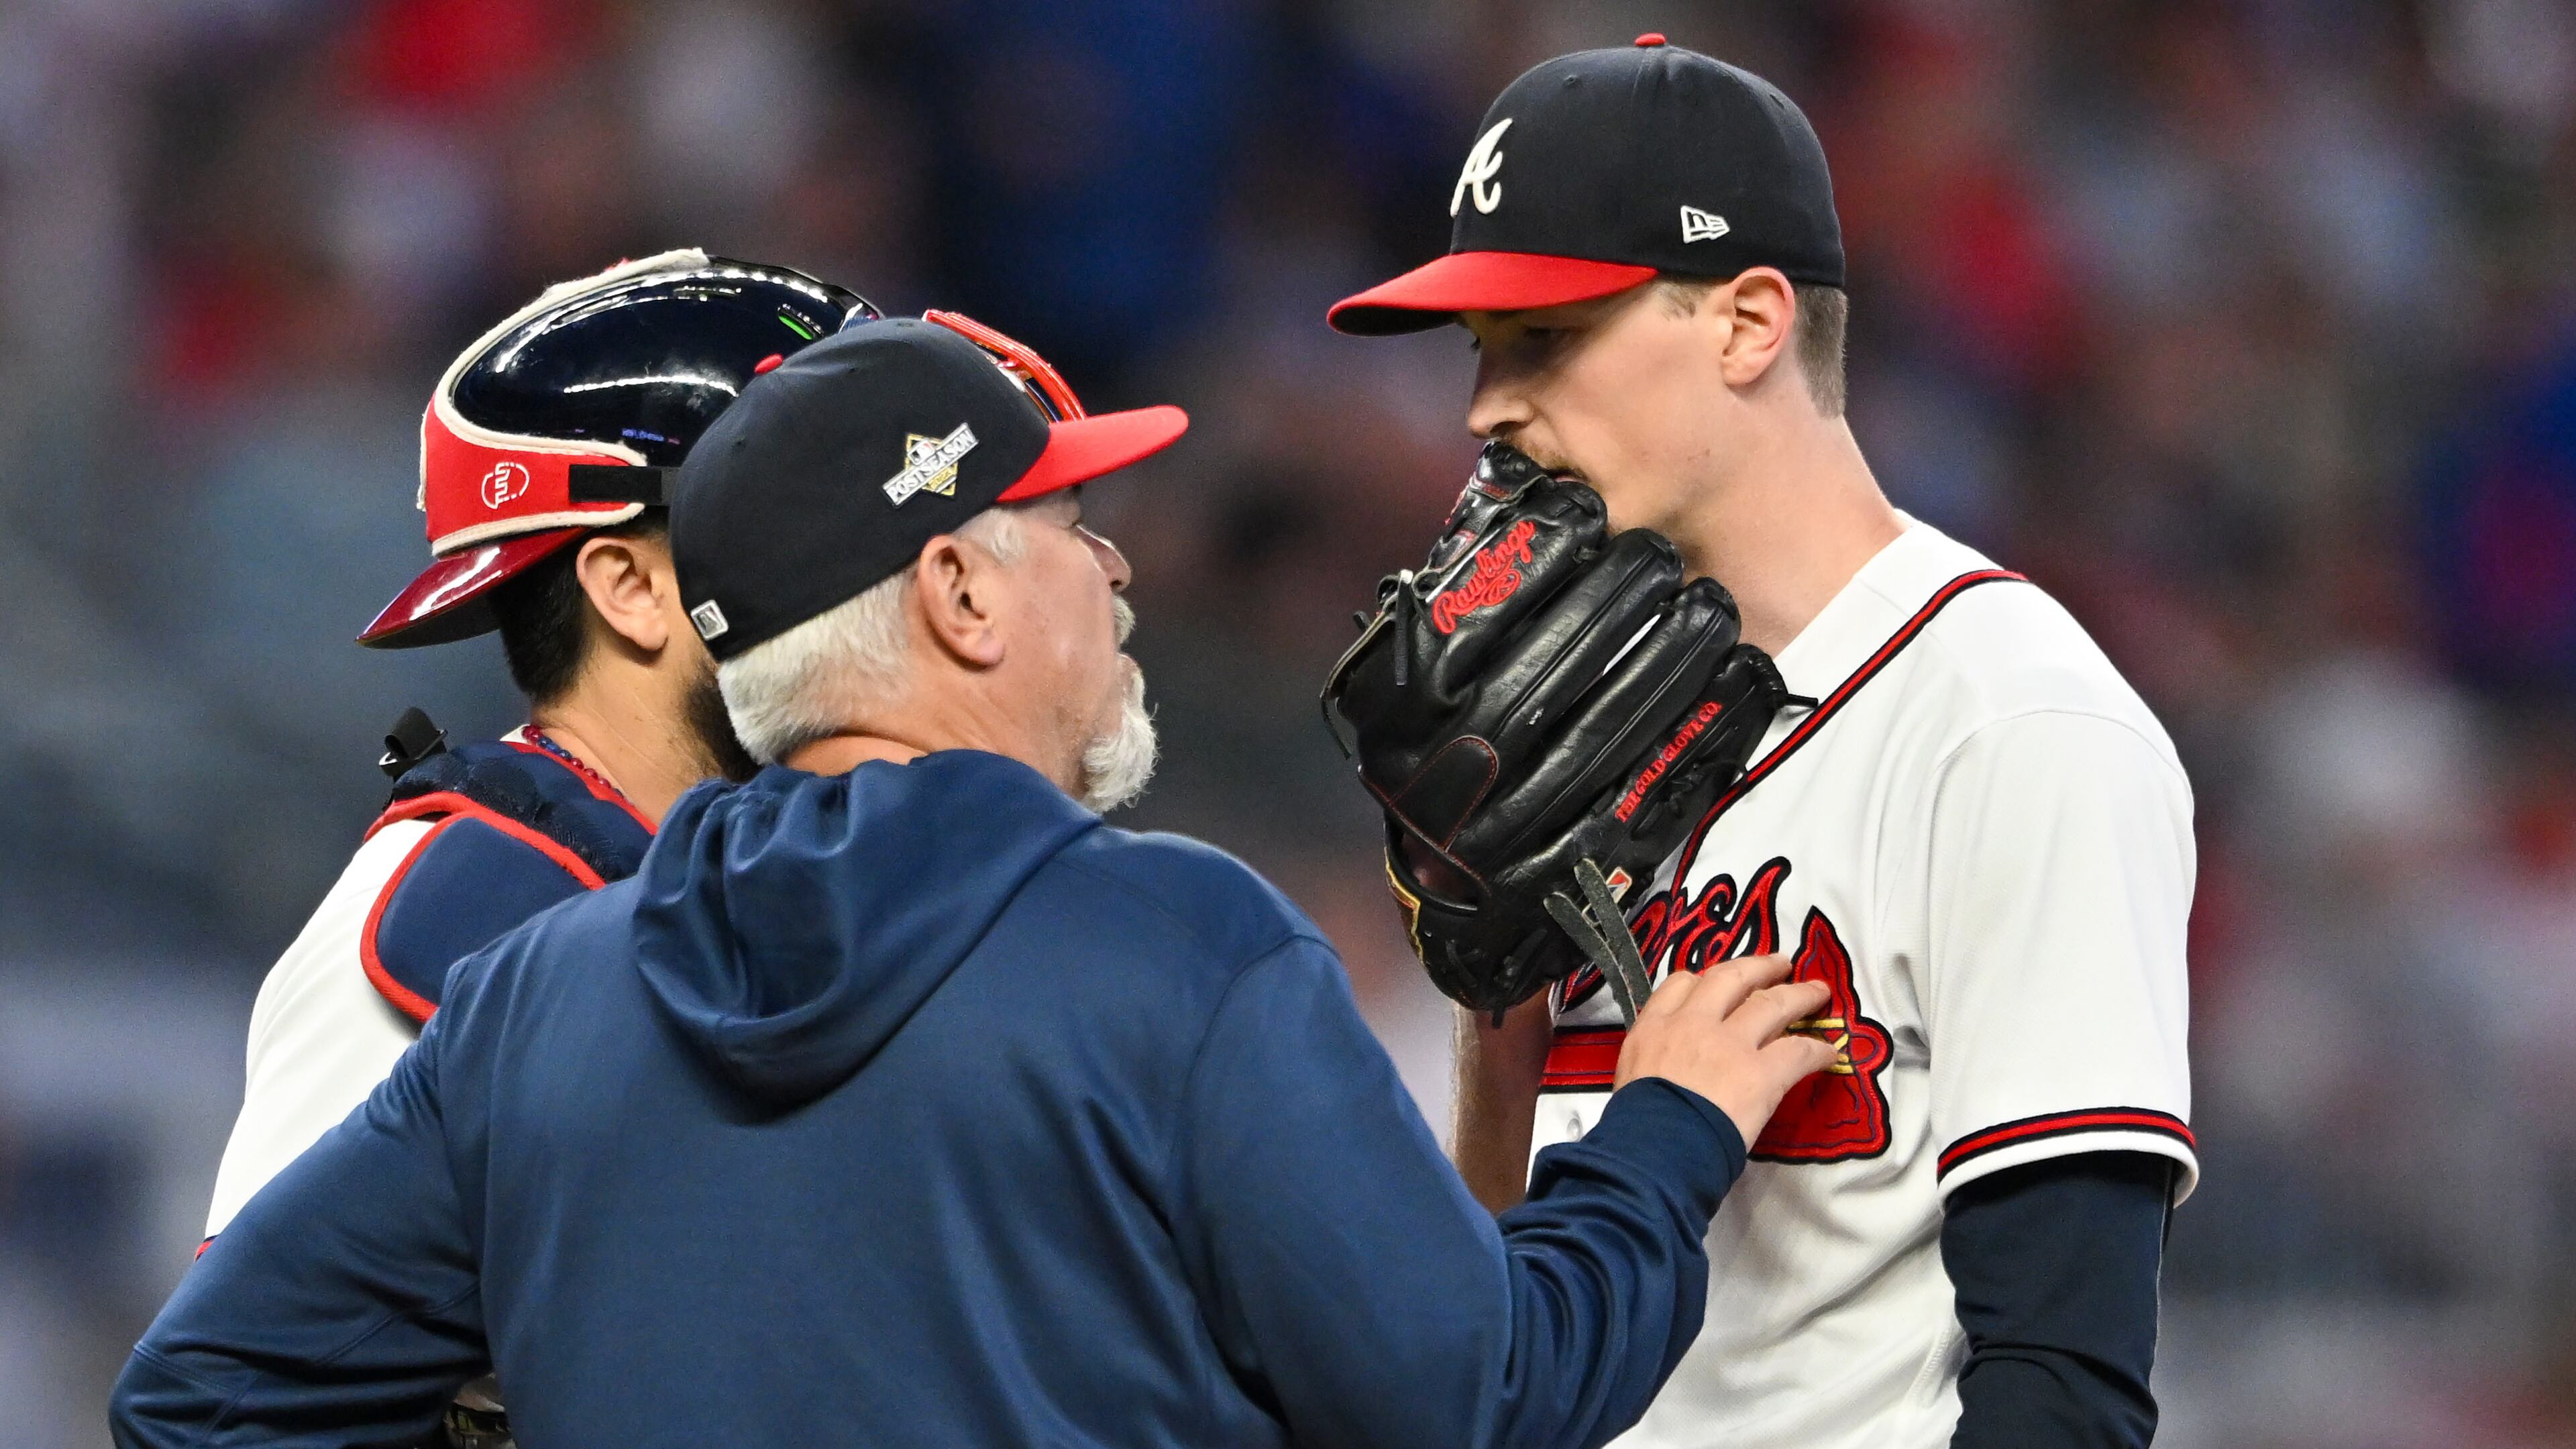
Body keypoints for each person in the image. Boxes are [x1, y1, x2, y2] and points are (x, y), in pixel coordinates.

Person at [110, 318, 1839, 1449]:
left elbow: (203, 1399)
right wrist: (1667, 1135)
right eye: (1067, 519)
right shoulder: (1183, 948)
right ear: (958, 591)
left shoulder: (532, 1000)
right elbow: (1480, 1395)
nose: (1114, 562)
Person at [1326, 36, 2196, 1449]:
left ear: (1745, 322)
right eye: (1482, 354)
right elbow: (1499, 1361)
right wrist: (1501, 1068)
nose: (1487, 407)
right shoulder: (1568, 726)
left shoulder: (2013, 720)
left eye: (1545, 339)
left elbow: (2066, 1386)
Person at [196, 250, 879, 1446]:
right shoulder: (445, 926)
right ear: (631, 587)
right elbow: (242, 1408)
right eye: (819, 518)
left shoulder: (815, 883)